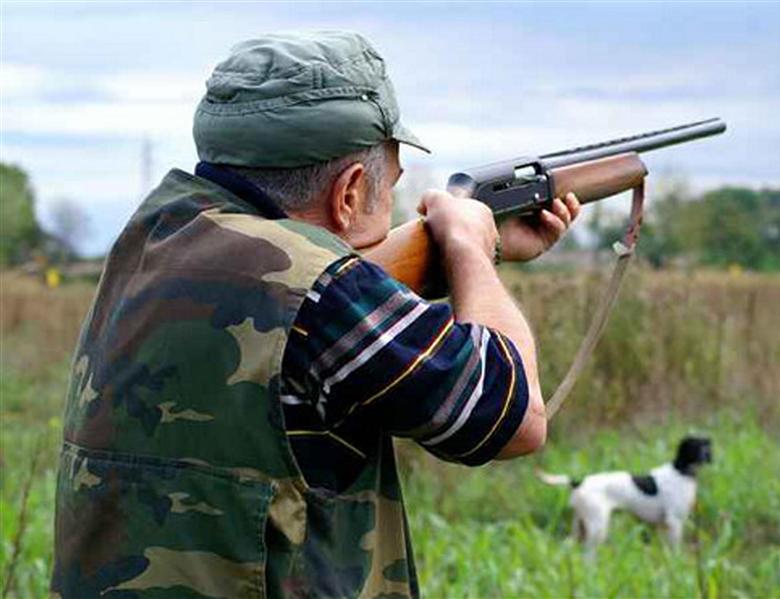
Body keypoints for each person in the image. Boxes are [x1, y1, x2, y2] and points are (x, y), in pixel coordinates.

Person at [51, 31, 580, 599]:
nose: (394, 202)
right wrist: (469, 249)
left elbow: (314, 301)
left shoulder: (153, 237)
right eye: (392, 183)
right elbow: (514, 418)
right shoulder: (322, 292)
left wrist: (470, 251)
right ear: (349, 192)